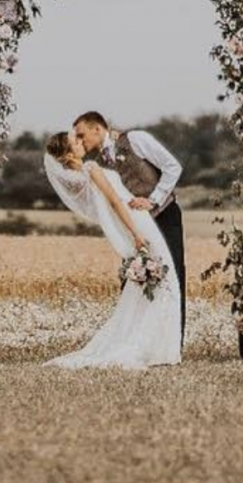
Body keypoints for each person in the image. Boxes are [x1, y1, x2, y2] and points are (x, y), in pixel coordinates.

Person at [40, 132, 183, 369]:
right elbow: (116, 202)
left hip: (135, 219)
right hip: (137, 221)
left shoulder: (82, 175)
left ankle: (156, 346)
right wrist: (136, 234)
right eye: (75, 142)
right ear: (68, 154)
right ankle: (156, 348)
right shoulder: (91, 168)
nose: (81, 142)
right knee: (166, 283)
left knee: (158, 284)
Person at [70, 111, 187, 344]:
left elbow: (173, 167)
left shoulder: (136, 140)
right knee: (134, 279)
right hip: (135, 227)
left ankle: (173, 341)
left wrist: (153, 199)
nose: (81, 142)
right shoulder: (96, 164)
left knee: (173, 275)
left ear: (97, 128)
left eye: (82, 135)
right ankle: (136, 340)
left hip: (164, 216)